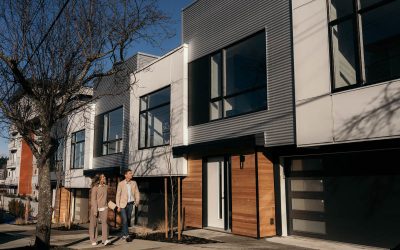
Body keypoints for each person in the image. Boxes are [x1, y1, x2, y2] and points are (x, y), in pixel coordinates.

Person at [116, 169, 140, 241]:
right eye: (130, 173)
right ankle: (127, 235)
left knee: (127, 219)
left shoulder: (134, 183)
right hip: (122, 204)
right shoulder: (121, 184)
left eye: (131, 173)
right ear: (125, 175)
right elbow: (118, 195)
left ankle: (123, 234)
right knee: (125, 219)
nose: (131, 174)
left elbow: (137, 193)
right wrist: (118, 206)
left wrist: (137, 201)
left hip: (130, 204)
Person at [89, 173, 111, 246]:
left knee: (105, 223)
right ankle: (93, 240)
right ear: (99, 179)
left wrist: (114, 206)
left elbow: (107, 199)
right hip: (95, 208)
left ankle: (104, 240)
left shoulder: (106, 187)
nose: (104, 177)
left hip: (104, 208)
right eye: (103, 177)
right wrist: (95, 210)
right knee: (94, 224)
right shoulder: (95, 188)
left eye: (104, 176)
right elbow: (93, 200)